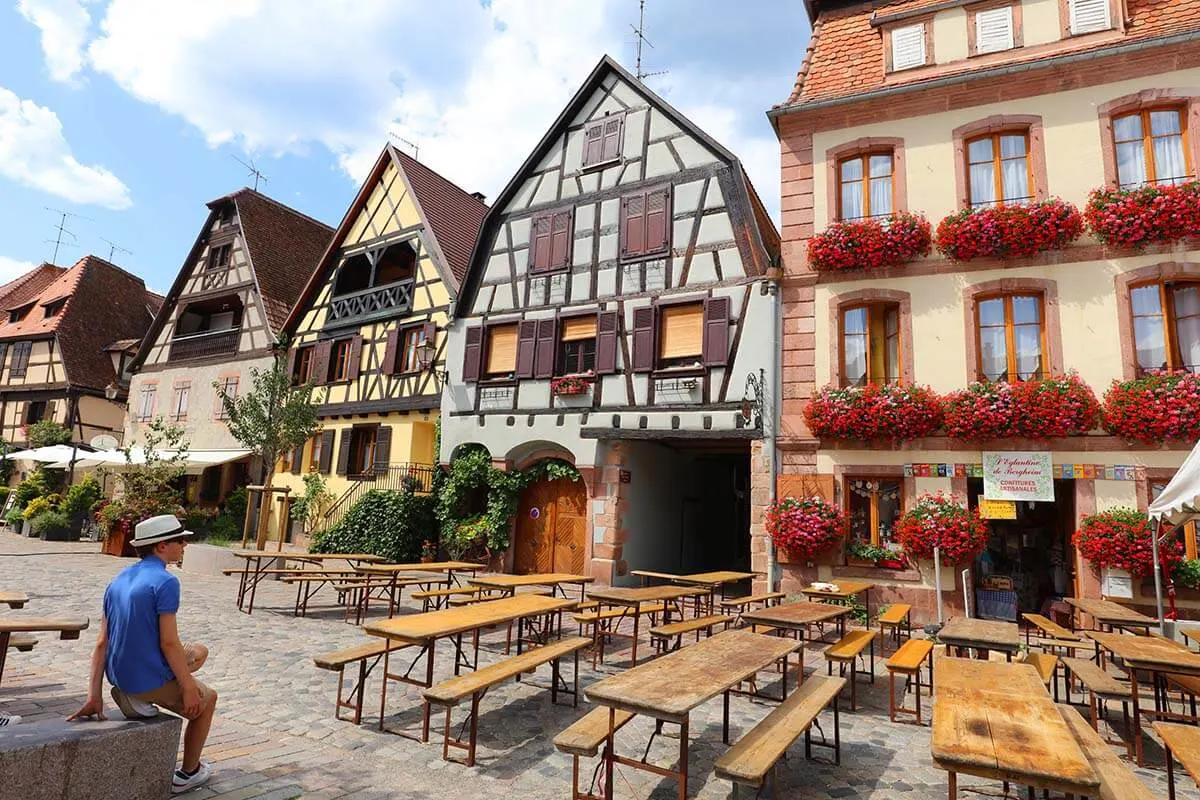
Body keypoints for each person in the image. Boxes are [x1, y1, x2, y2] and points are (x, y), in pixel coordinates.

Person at [68, 514, 218, 794]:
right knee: (207, 700)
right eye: (180, 540)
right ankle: (189, 772)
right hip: (144, 679)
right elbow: (169, 643)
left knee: (199, 652)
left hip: (120, 675)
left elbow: (101, 642)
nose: (185, 545)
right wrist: (188, 689)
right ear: (162, 546)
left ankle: (136, 694)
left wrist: (94, 696)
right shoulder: (165, 581)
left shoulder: (117, 580)